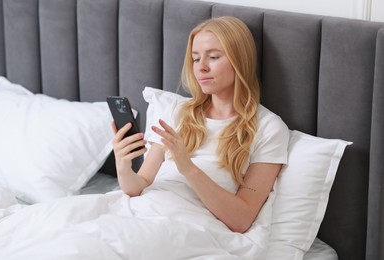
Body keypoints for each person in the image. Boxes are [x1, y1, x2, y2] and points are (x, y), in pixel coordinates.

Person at [111, 16, 289, 233]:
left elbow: (241, 219)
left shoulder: (268, 127)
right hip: (143, 210)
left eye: (213, 57)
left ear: (240, 60)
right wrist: (123, 165)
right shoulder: (178, 112)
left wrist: (188, 168)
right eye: (196, 59)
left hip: (188, 225)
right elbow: (140, 185)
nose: (201, 67)